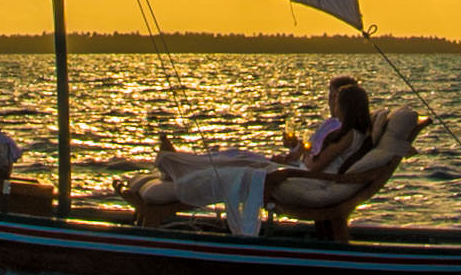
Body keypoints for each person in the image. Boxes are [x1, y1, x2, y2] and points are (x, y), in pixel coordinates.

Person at [124, 78, 380, 232]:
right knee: (241, 158)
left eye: (337, 101)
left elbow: (314, 166)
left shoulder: (347, 135)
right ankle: (178, 163)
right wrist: (300, 155)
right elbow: (315, 159)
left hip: (304, 178)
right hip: (299, 173)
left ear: (347, 107)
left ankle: (179, 167)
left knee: (239, 167)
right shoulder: (353, 133)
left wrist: (303, 156)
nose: (332, 104)